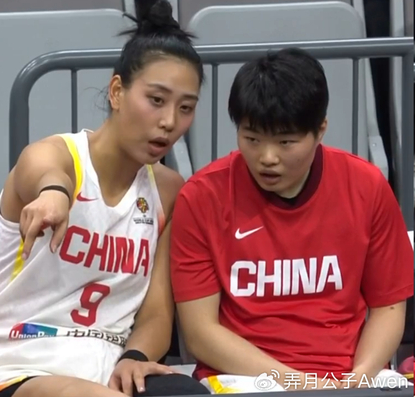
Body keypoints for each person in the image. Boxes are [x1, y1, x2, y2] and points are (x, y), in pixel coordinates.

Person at [0, 0, 209, 397]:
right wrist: (54, 194)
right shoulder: (58, 155)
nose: (169, 121)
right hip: (16, 365)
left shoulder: (169, 191)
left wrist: (135, 356)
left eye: (186, 107)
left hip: (109, 367)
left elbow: (157, 312)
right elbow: (44, 172)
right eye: (156, 100)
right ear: (117, 91)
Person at [170, 48, 414, 393]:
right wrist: (302, 385)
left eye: (286, 142)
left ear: (320, 130)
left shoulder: (367, 186)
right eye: (252, 139)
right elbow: (200, 333)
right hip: (244, 378)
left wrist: (356, 380)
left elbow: (388, 307)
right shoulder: (201, 198)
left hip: (349, 377)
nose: (267, 157)